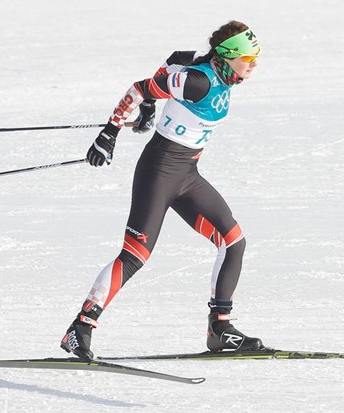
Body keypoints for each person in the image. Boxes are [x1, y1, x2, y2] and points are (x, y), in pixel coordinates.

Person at [61, 21, 267, 359]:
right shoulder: (197, 81)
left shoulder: (209, 70)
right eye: (249, 57)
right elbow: (140, 86)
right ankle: (79, 328)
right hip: (157, 173)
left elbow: (174, 59)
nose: (254, 64)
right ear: (228, 56)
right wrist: (109, 133)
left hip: (187, 175)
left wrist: (148, 108)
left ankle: (220, 329)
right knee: (135, 256)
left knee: (233, 242)